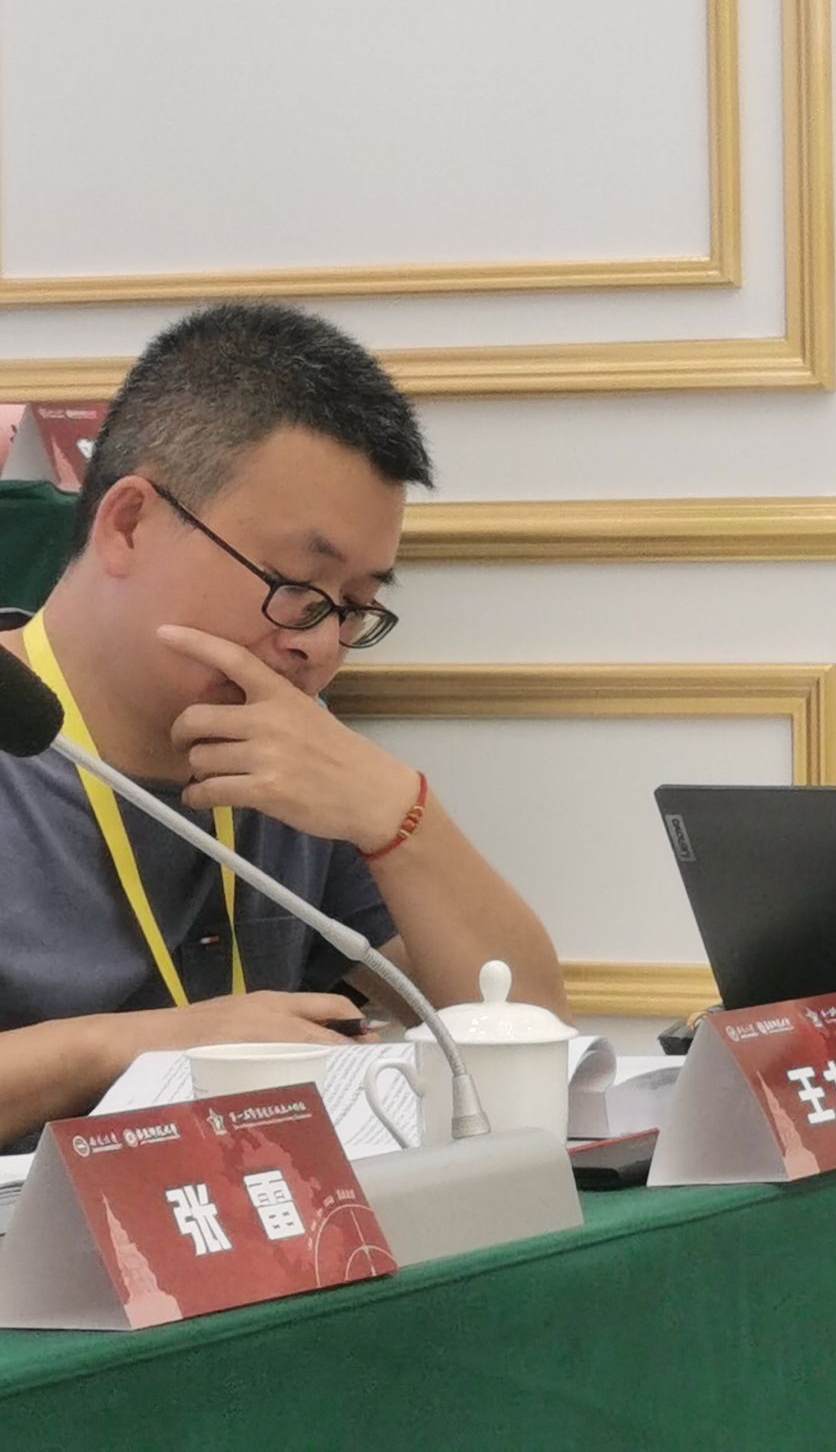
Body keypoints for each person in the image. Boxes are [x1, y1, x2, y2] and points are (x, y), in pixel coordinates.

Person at [0, 302, 568, 1151]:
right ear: (128, 524)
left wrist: (401, 817)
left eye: (355, 606)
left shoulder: (288, 754)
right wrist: (138, 1046)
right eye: (297, 586)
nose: (319, 645)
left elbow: (529, 1034)